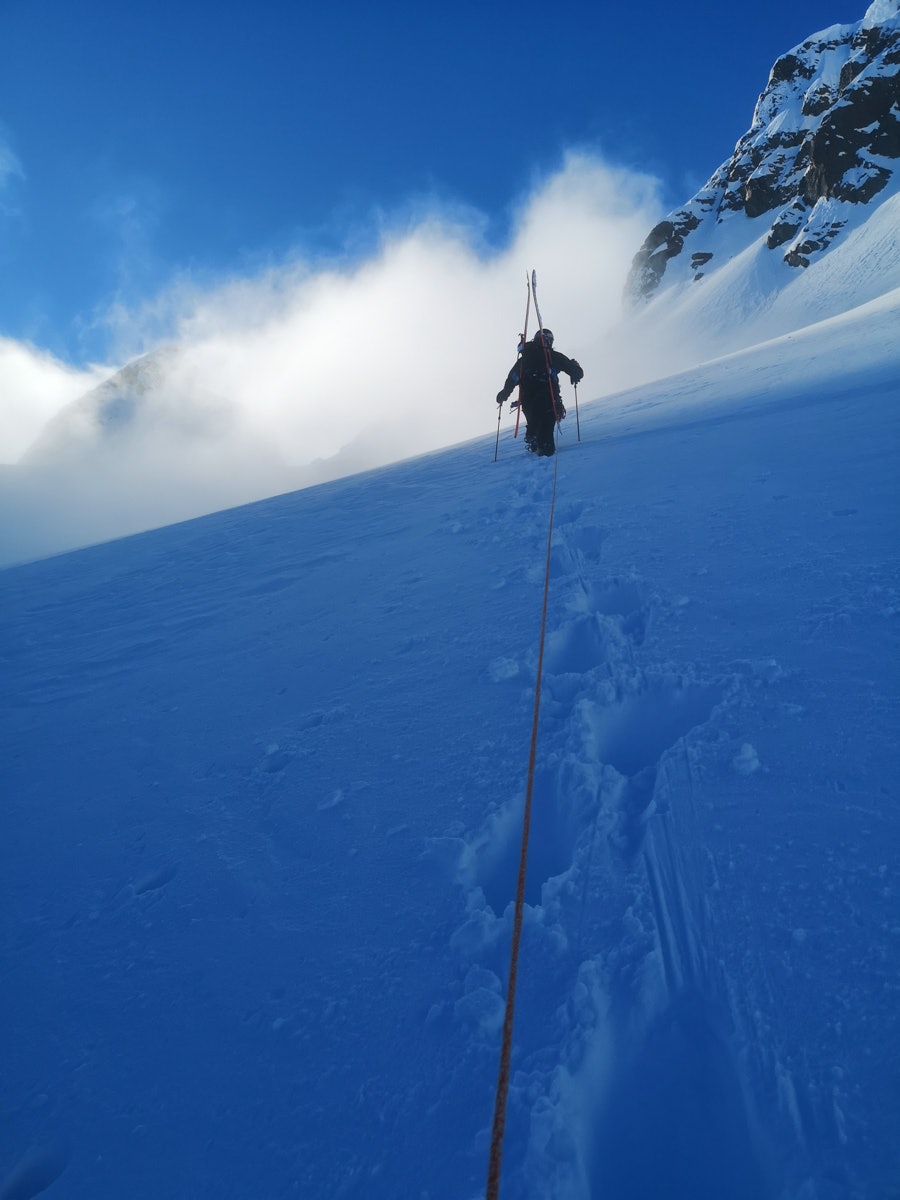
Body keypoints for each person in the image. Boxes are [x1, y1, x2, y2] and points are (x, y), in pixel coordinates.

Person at [495, 329, 583, 456]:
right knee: (546, 431)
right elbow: (576, 371)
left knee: (535, 423)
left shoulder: (524, 360)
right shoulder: (552, 356)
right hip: (549, 400)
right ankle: (544, 450)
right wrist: (576, 372)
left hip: (528, 402)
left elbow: (512, 379)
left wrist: (504, 394)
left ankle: (533, 438)